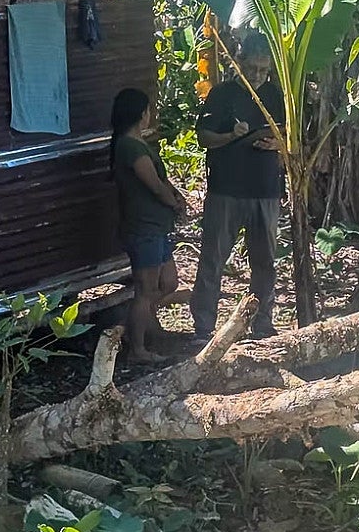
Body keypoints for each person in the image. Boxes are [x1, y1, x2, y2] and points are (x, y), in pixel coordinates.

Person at [190, 32, 286, 339]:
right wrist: (232, 136)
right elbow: (204, 137)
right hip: (226, 189)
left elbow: (292, 139)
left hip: (265, 190)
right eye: (252, 69)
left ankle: (263, 322)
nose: (258, 75)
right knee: (213, 258)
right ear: (239, 63)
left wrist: (275, 144)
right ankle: (203, 326)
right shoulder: (222, 94)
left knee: (265, 262)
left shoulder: (276, 94)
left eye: (264, 69)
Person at [110, 88, 186, 363]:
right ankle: (137, 349)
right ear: (141, 113)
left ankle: (137, 325)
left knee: (168, 282)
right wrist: (174, 203)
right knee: (146, 288)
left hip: (156, 227)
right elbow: (153, 184)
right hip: (144, 227)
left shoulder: (137, 144)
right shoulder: (130, 146)